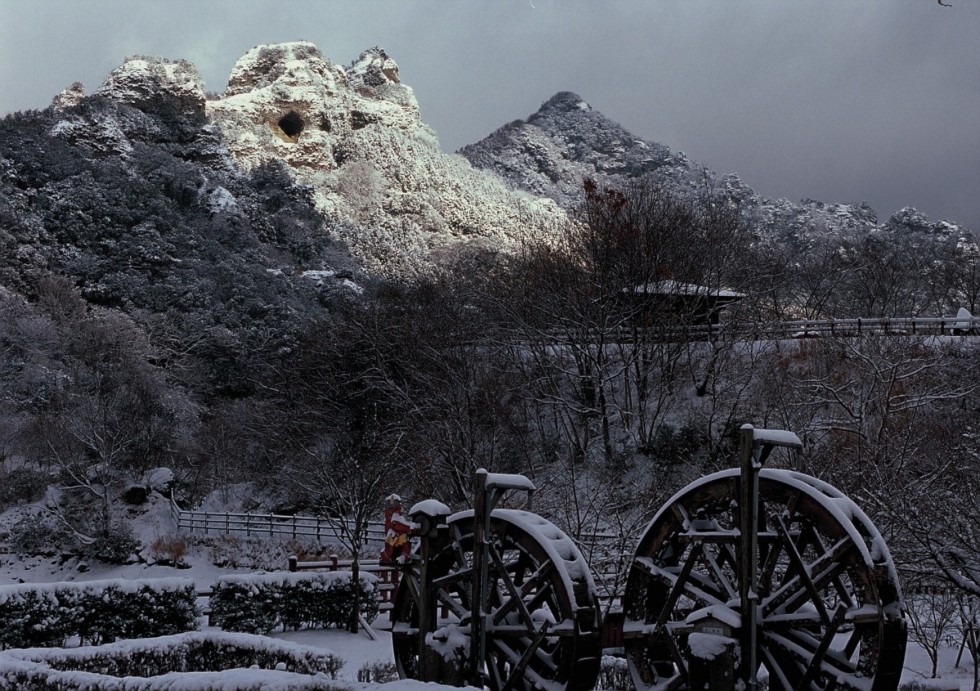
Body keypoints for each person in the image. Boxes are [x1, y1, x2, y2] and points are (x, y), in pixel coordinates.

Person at [380, 494, 413, 564]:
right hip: (393, 534)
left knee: (403, 540)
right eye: (390, 503)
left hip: (395, 535)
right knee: (401, 540)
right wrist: (410, 528)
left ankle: (390, 557)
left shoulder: (395, 514)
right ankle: (389, 557)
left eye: (394, 502)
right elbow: (398, 525)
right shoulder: (394, 515)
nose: (392, 504)